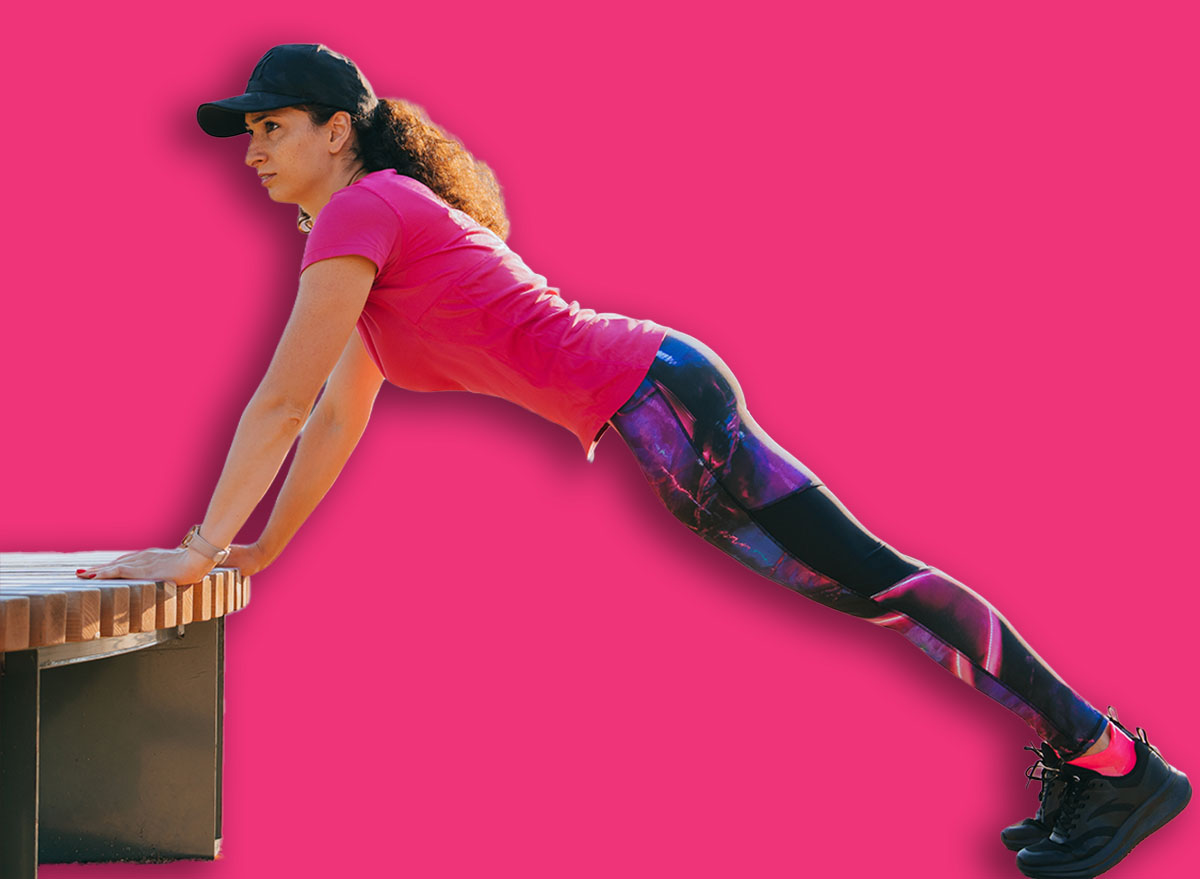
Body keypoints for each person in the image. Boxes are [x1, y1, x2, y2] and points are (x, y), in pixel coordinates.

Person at [78, 43, 1189, 878]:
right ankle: (1092, 760)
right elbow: (328, 417)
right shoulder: (375, 239)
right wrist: (261, 548)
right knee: (872, 596)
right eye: (248, 134)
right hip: (656, 411)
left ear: (337, 128)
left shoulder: (364, 211)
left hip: (663, 396)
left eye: (270, 127)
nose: (253, 151)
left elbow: (277, 399)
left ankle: (1111, 762)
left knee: (879, 584)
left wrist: (195, 545)